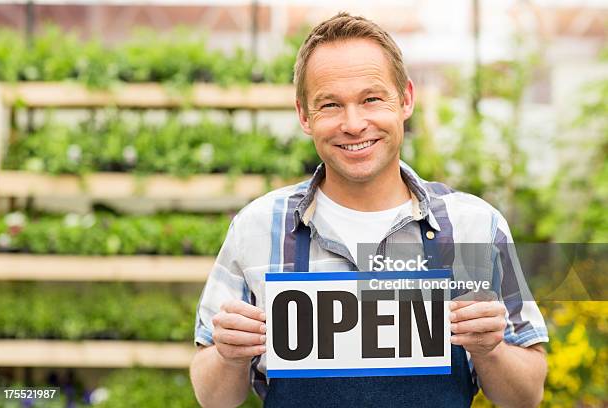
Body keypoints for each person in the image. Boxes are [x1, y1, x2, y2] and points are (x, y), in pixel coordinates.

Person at [190, 12, 548, 408]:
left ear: (406, 99)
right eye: (330, 105)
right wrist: (227, 355)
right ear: (304, 116)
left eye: (371, 99)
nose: (354, 123)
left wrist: (490, 350)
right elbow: (212, 398)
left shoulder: (474, 227)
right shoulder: (257, 228)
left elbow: (526, 396)